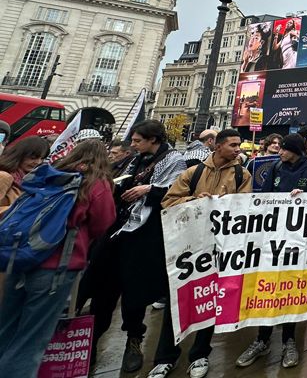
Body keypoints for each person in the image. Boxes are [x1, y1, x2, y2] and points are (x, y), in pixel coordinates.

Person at [0, 139, 115, 376]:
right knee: (32, 339)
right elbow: (103, 222)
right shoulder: (97, 184)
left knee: (6, 327)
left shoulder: (51, 172)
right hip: (56, 268)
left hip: (20, 259)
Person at [84, 120, 187, 374]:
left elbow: (176, 193)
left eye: (138, 140)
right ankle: (91, 343)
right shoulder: (133, 161)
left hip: (144, 236)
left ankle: (134, 339)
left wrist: (149, 190)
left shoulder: (174, 161)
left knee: (135, 293)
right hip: (117, 231)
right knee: (102, 291)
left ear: (153, 139)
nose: (133, 144)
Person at [149, 129, 252, 378]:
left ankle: (199, 355)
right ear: (217, 146)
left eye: (239, 145)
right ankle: (165, 358)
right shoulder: (193, 173)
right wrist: (195, 200)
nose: (238, 149)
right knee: (179, 301)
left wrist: (225, 203)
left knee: (209, 302)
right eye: (233, 145)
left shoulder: (242, 174)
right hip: (188, 249)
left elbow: (246, 206)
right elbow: (169, 201)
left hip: (218, 249)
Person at [235, 134, 307, 369]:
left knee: (291, 288)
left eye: (284, 148)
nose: (279, 152)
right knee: (268, 286)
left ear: (294, 150)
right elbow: (263, 196)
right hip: (272, 239)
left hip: (299, 240)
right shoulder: (274, 167)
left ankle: (289, 340)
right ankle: (262, 340)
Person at [0, 136, 50, 214]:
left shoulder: (30, 181)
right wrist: (20, 210)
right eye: (33, 158)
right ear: (20, 155)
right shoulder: (4, 177)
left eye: (42, 158)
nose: (38, 162)